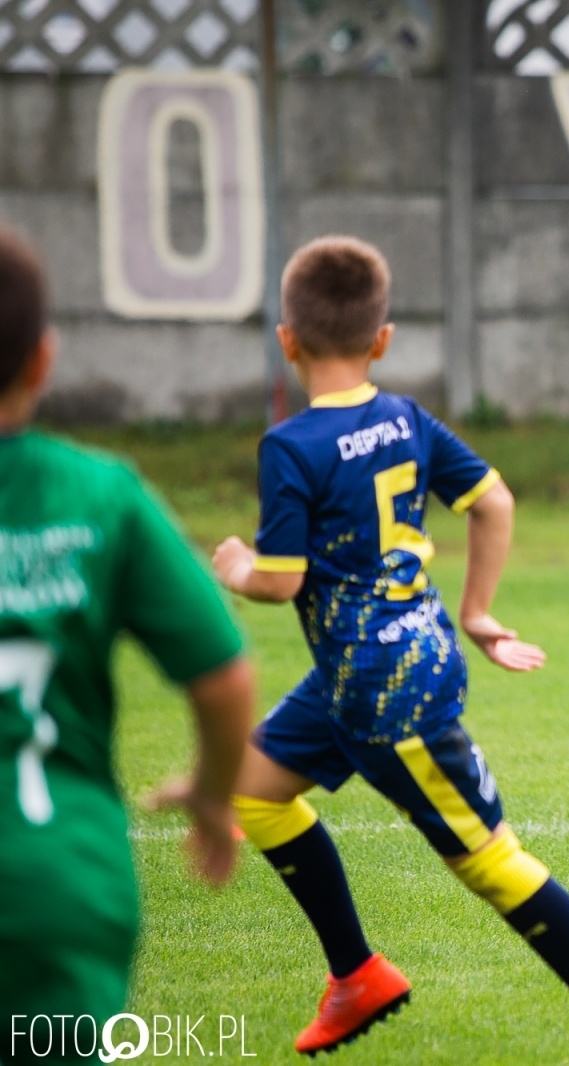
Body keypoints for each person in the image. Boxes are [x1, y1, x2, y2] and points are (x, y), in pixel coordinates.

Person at [218, 236, 569, 1064]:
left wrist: (234, 569)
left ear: (287, 341)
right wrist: (477, 611)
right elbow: (492, 500)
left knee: (489, 861)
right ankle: (357, 977)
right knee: (256, 792)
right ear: (383, 339)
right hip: (361, 673)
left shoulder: (290, 447)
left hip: (389, 693)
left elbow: (280, 582)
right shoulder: (405, 418)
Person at [0, 226, 255, 1061]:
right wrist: (212, 794)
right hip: (53, 883)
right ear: (42, 360)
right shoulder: (99, 496)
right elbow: (222, 677)